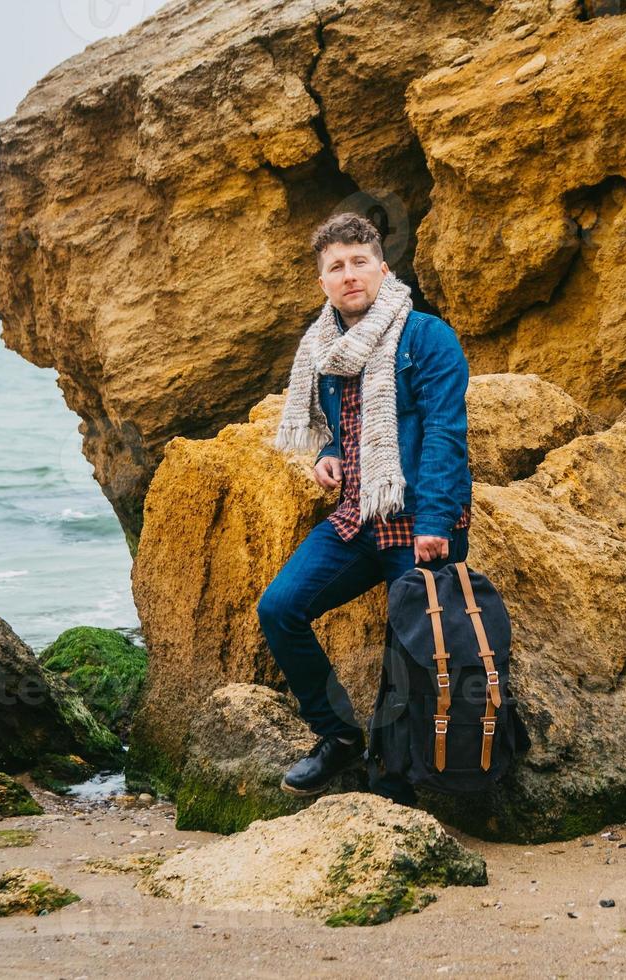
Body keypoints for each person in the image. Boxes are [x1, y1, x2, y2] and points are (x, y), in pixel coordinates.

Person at [259, 211, 473, 806]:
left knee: (411, 656)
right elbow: (343, 424)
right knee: (280, 608)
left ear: (383, 267)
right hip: (357, 517)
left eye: (359, 262)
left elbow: (444, 435)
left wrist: (434, 524)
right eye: (336, 267)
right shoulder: (326, 347)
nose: (349, 275)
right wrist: (328, 451)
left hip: (417, 521)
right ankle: (338, 736)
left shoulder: (426, 336)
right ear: (322, 280)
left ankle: (403, 779)